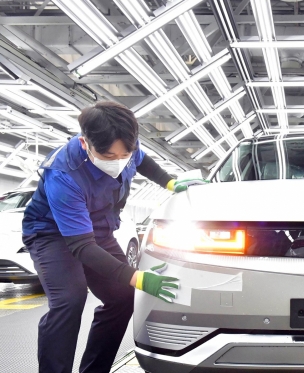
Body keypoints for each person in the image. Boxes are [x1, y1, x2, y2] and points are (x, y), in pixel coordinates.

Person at [22, 101, 208, 373]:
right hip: (52, 234)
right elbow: (82, 246)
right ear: (85, 144)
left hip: (97, 229)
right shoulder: (63, 175)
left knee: (122, 296)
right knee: (69, 300)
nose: (118, 163)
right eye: (109, 157)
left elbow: (142, 161)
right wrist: (139, 277)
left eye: (125, 155)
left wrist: (169, 182)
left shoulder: (125, 144)